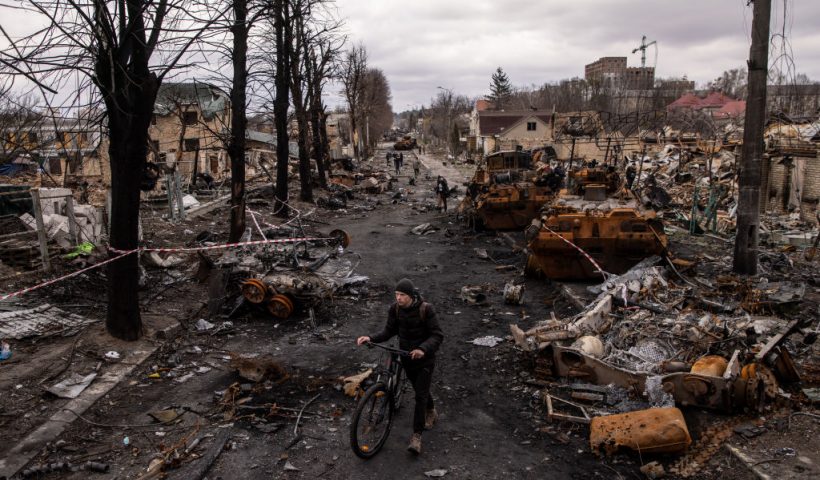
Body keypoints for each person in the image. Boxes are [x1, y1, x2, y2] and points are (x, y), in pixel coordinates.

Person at [357, 278, 444, 455]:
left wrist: (422, 349)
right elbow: (388, 331)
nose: (398, 298)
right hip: (406, 357)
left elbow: (437, 335)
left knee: (420, 396)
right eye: (396, 294)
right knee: (420, 389)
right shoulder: (395, 309)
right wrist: (370, 338)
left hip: (424, 360)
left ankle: (416, 436)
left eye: (402, 295)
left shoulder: (426, 309)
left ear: (411, 296)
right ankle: (431, 410)